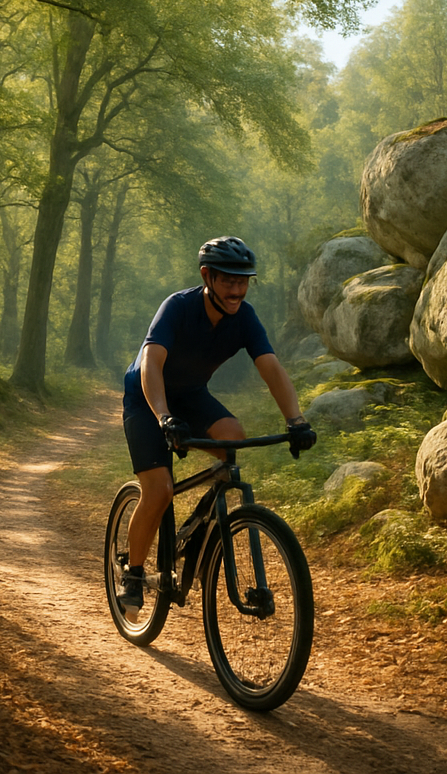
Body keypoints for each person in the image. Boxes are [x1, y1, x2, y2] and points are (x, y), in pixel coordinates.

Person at [118, 236, 316, 614]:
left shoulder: (245, 319)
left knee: (232, 441)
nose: (237, 290)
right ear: (207, 276)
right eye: (228, 281)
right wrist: (163, 417)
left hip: (191, 396)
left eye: (243, 281)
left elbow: (272, 369)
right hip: (147, 399)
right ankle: (134, 573)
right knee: (160, 490)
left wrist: (296, 420)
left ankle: (203, 530)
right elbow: (151, 364)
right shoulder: (177, 307)